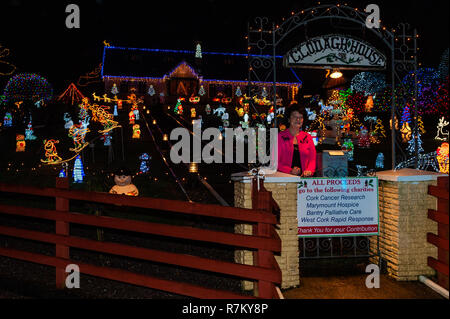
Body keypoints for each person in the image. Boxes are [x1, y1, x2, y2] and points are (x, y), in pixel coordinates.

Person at [277, 105, 316, 176]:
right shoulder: (279, 136)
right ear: (288, 119)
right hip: (284, 178)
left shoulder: (308, 137)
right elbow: (275, 162)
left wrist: (309, 170)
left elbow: (312, 159)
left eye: (301, 117)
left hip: (304, 180)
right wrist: (290, 171)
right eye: (295, 117)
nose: (298, 119)